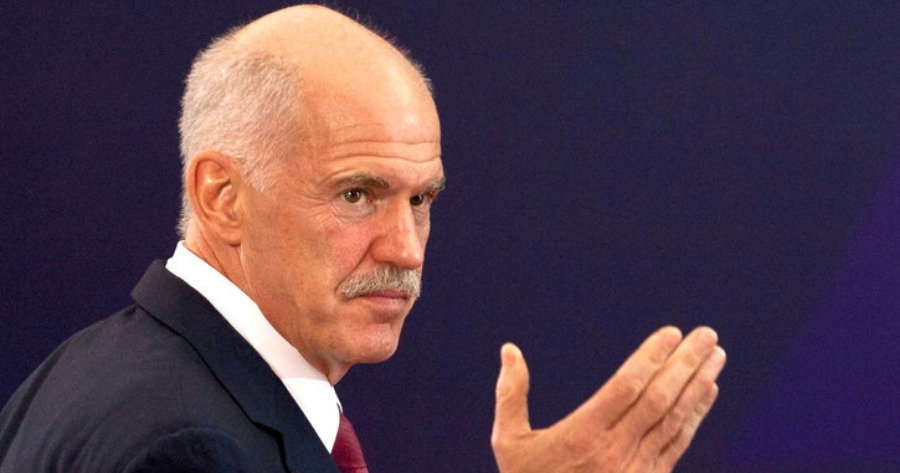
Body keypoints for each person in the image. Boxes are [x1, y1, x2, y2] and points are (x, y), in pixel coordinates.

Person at [0, 5, 726, 473]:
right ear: (222, 197)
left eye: (421, 199)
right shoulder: (191, 450)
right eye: (357, 195)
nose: (405, 250)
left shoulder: (89, 369)